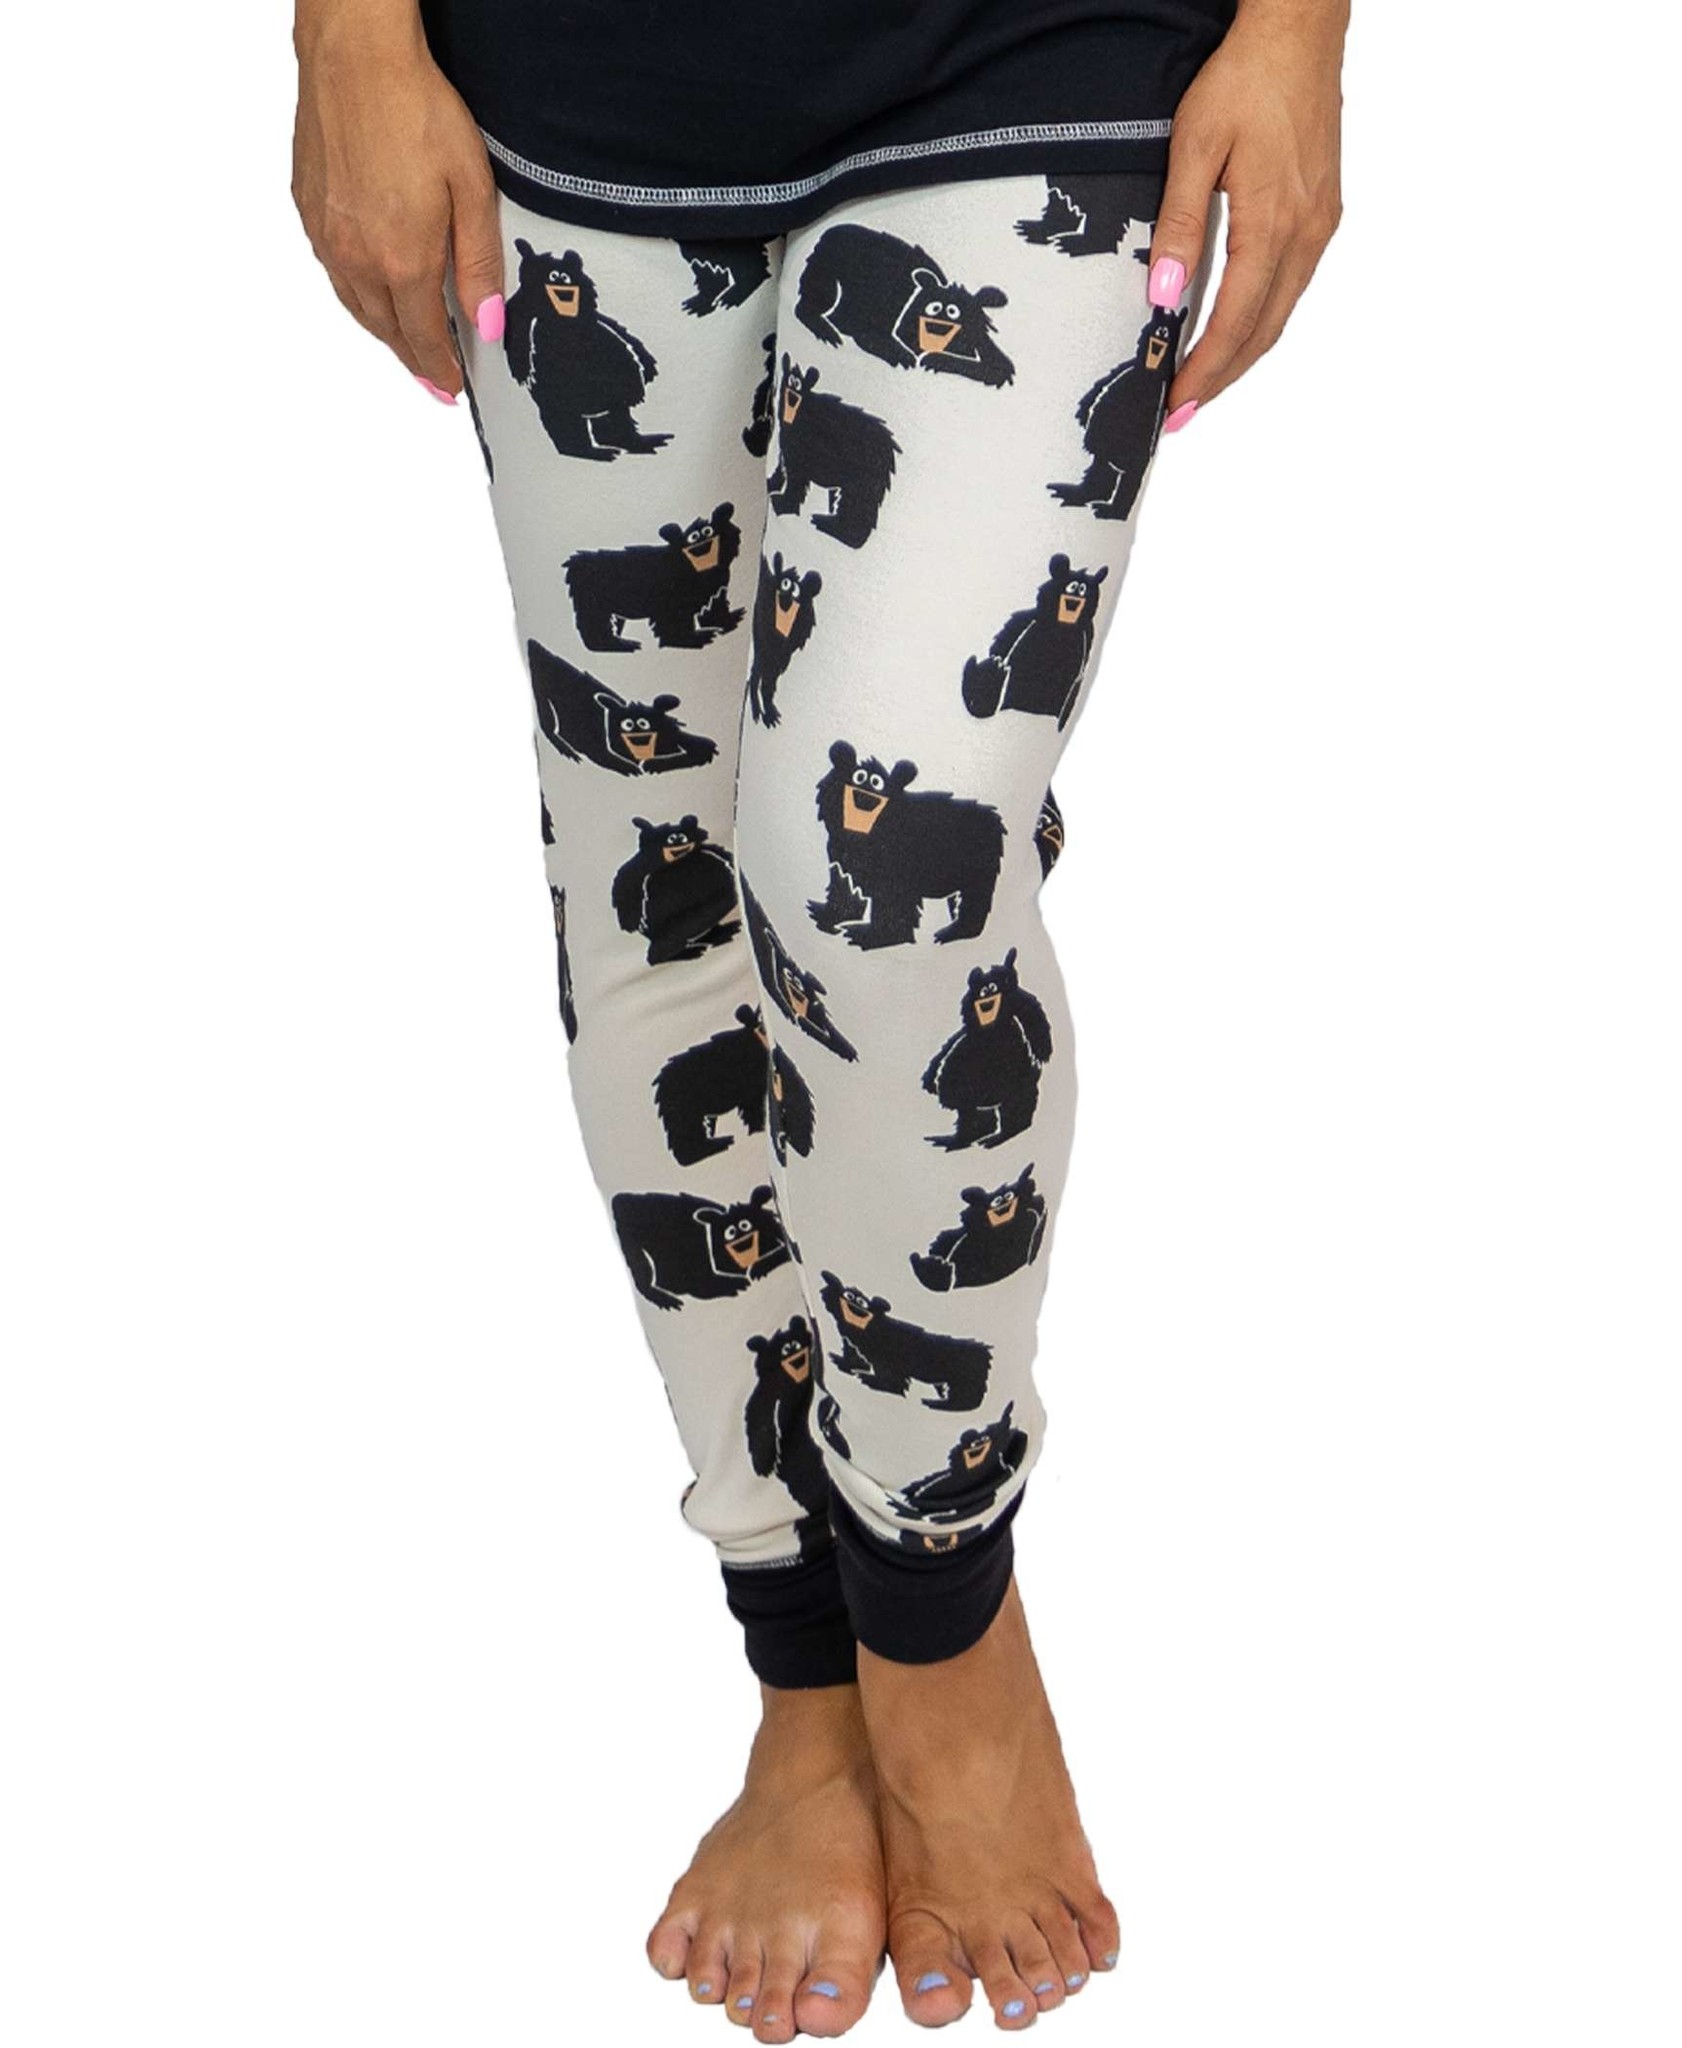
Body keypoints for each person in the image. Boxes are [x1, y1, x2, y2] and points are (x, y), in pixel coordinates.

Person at [292, 0, 1345, 2035]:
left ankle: (937, 1625)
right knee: (655, 882)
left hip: (1041, 46)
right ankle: (801, 1655)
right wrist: (344, 34)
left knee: (881, 887)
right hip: (569, 84)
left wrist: (1299, 31)